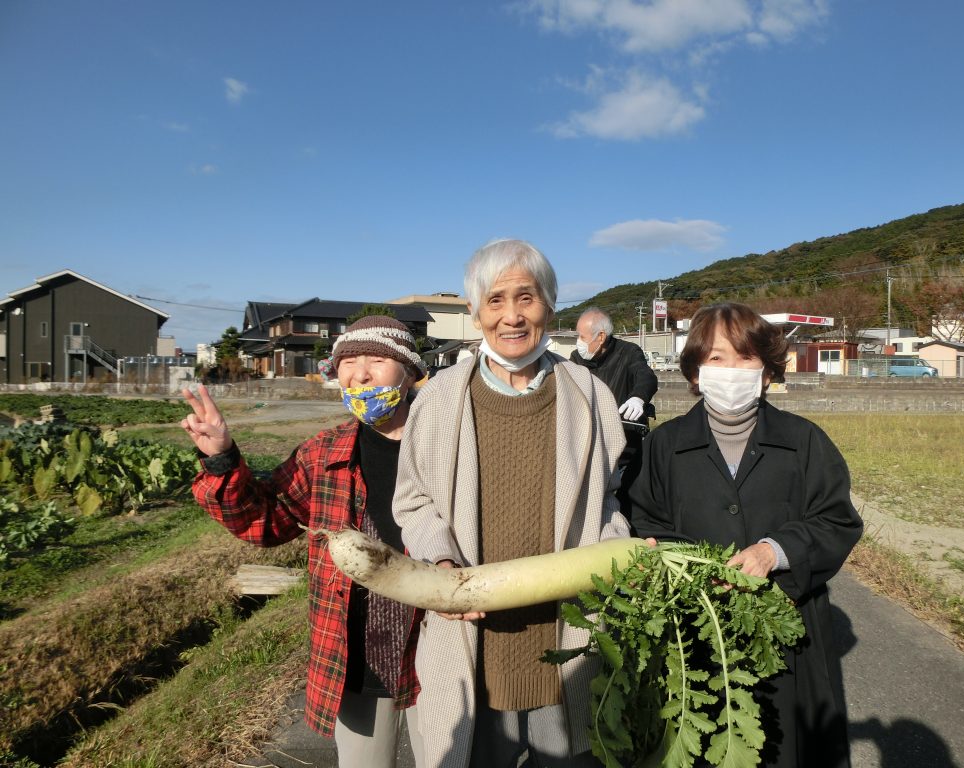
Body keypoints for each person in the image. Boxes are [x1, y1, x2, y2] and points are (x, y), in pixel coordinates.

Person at [392, 238, 631, 768]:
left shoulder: (590, 395)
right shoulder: (439, 399)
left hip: (569, 635)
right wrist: (441, 563)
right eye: (495, 300)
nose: (512, 316)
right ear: (475, 311)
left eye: (527, 297)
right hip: (473, 637)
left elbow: (608, 497)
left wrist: (618, 553)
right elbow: (413, 501)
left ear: (549, 304)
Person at [180, 316, 427, 768]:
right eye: (349, 362)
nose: (361, 374)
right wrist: (221, 460)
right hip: (358, 655)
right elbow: (266, 522)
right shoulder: (323, 453)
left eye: (377, 360)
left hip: (436, 648)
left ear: (410, 372)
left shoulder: (447, 445)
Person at [628, 301, 863, 768]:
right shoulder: (663, 446)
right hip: (693, 638)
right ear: (696, 372)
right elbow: (643, 522)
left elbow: (837, 520)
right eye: (717, 358)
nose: (731, 370)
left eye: (746, 357)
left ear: (768, 371)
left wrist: (775, 552)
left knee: (786, 749)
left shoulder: (804, 441)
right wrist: (684, 570)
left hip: (788, 639)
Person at [570, 307, 658, 517]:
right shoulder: (576, 358)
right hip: (588, 442)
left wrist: (638, 397)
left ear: (600, 337)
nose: (578, 343)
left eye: (582, 337)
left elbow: (645, 376)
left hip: (624, 443)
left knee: (623, 500)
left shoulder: (628, 352)